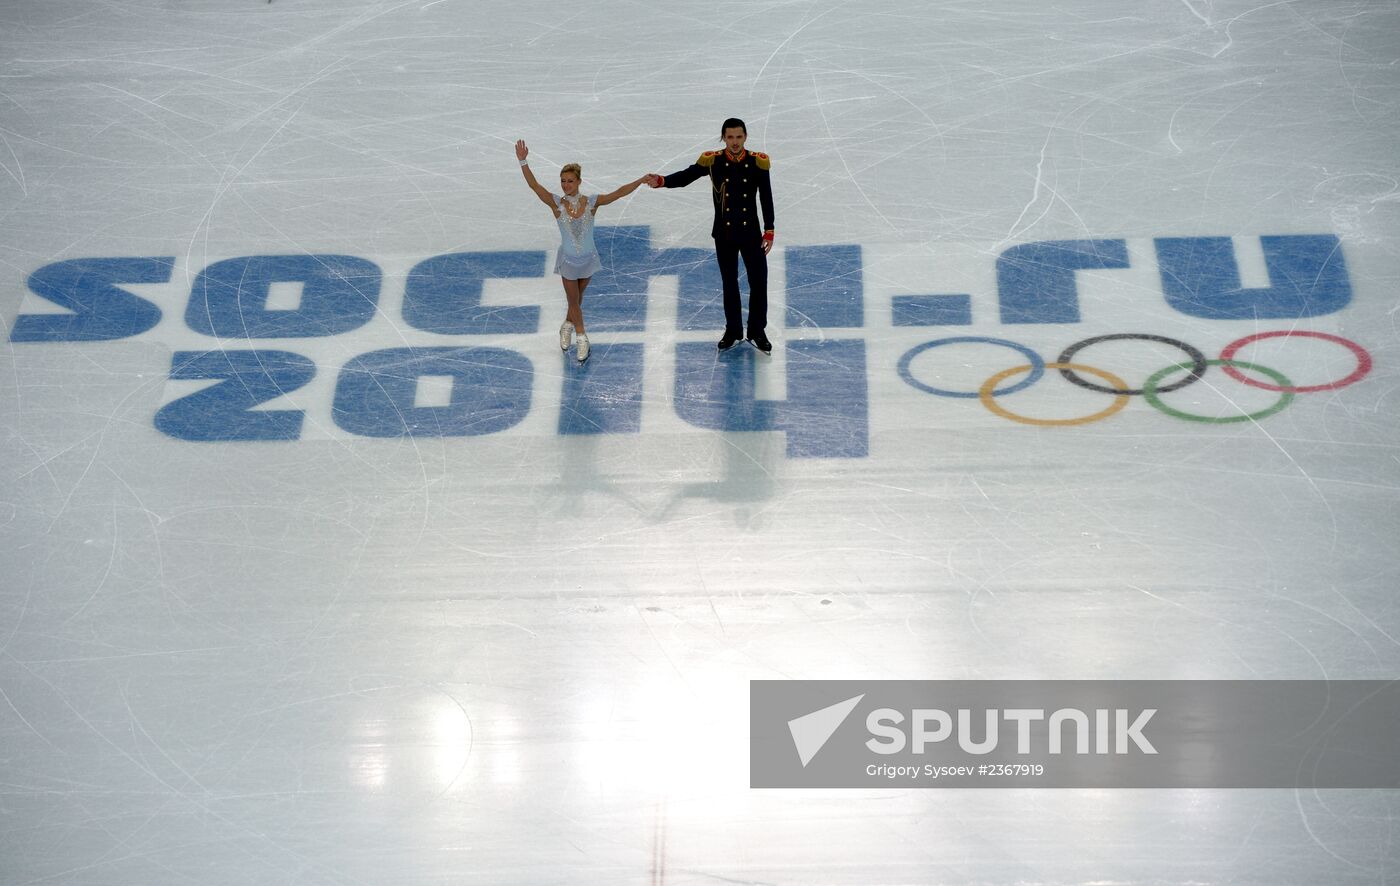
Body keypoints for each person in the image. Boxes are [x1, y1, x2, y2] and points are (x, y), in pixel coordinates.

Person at [646, 118, 775, 353]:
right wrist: (663, 181)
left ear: (745, 136)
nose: (734, 142)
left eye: (738, 137)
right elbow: (687, 176)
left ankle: (757, 331)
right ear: (723, 138)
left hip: (751, 233)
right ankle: (733, 330)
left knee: (758, 282)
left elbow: (766, 197)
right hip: (724, 233)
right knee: (729, 283)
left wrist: (769, 229)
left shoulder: (758, 162)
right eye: (730, 137)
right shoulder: (713, 161)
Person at [515, 139, 649, 362]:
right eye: (562, 181)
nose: (565, 185)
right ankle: (581, 337)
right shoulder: (556, 204)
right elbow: (534, 185)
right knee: (573, 300)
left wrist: (641, 180)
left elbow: (619, 193)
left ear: (579, 181)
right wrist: (522, 161)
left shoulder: (592, 203)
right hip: (568, 261)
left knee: (576, 301)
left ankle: (566, 325)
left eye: (569, 181)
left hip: (588, 259)